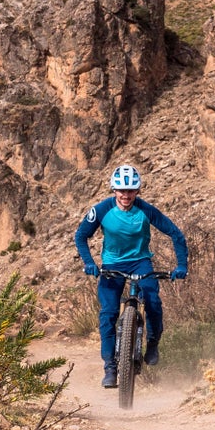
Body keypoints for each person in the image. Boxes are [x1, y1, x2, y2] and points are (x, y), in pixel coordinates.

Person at [75, 164, 188, 388]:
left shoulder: (146, 210)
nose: (126, 195)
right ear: (114, 190)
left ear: (137, 191)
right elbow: (81, 236)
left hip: (140, 262)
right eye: (121, 190)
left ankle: (153, 343)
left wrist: (181, 265)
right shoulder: (101, 210)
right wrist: (89, 263)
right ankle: (109, 367)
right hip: (111, 264)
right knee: (107, 313)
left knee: (153, 301)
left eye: (130, 190)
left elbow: (176, 234)